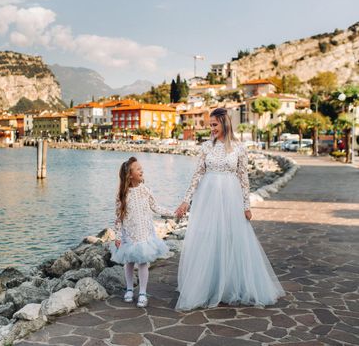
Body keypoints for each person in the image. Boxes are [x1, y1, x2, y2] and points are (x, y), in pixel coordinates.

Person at [174, 108, 285, 311]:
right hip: (207, 199)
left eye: (214, 124)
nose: (212, 128)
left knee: (231, 238)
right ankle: (207, 286)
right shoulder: (206, 147)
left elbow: (244, 178)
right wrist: (185, 201)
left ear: (225, 123)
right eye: (210, 125)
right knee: (208, 238)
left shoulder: (239, 148)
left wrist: (246, 206)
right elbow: (197, 176)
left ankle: (230, 286)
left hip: (231, 198)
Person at [111, 156, 173, 308]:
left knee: (143, 262)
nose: (142, 170)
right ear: (129, 175)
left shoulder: (145, 190)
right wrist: (118, 235)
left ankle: (143, 292)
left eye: (141, 168)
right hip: (129, 234)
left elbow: (156, 207)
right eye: (138, 169)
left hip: (144, 233)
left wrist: (173, 213)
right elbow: (118, 218)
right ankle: (130, 289)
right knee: (129, 262)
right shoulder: (122, 195)